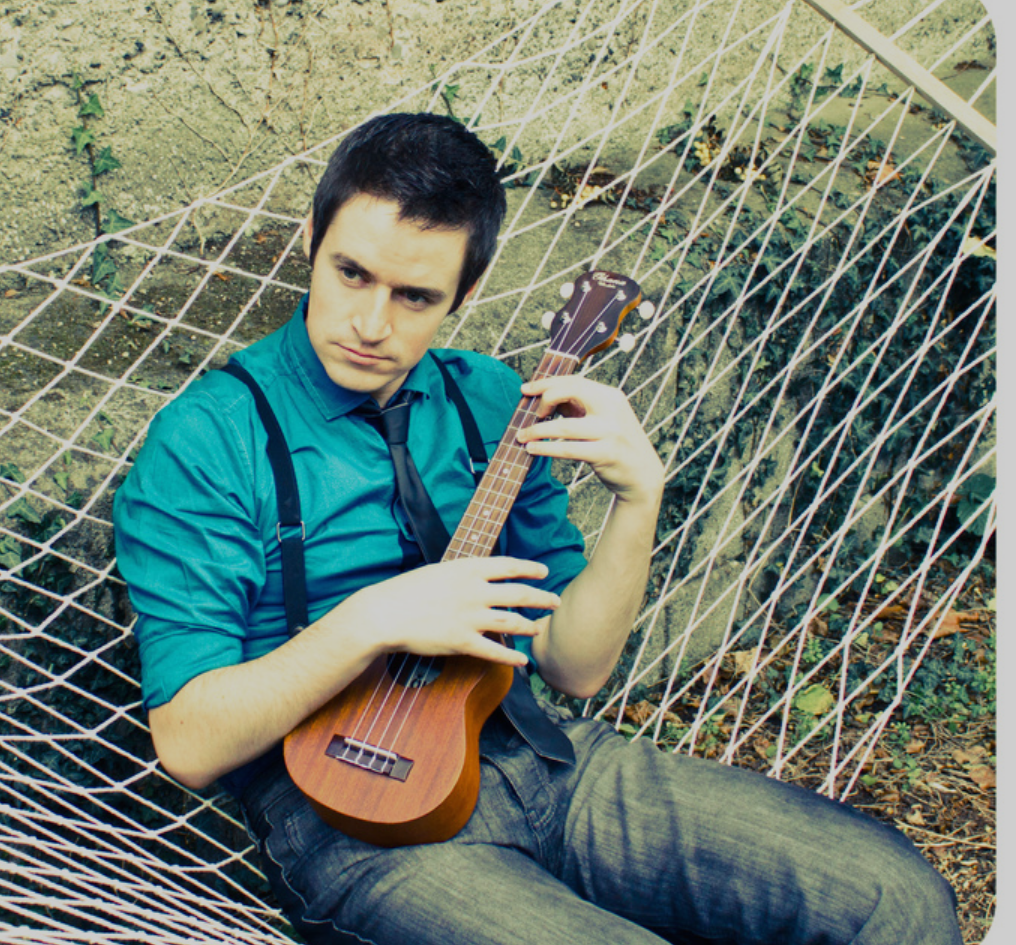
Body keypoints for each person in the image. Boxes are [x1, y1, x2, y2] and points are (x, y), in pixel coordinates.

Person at [111, 113, 960, 944]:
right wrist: (371, 619)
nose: (371, 323)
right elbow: (188, 740)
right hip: (355, 820)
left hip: (540, 757)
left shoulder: (492, 400)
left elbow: (575, 665)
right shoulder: (210, 438)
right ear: (311, 239)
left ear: (469, 290)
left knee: (893, 897)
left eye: (416, 296)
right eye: (352, 273)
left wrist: (639, 498)